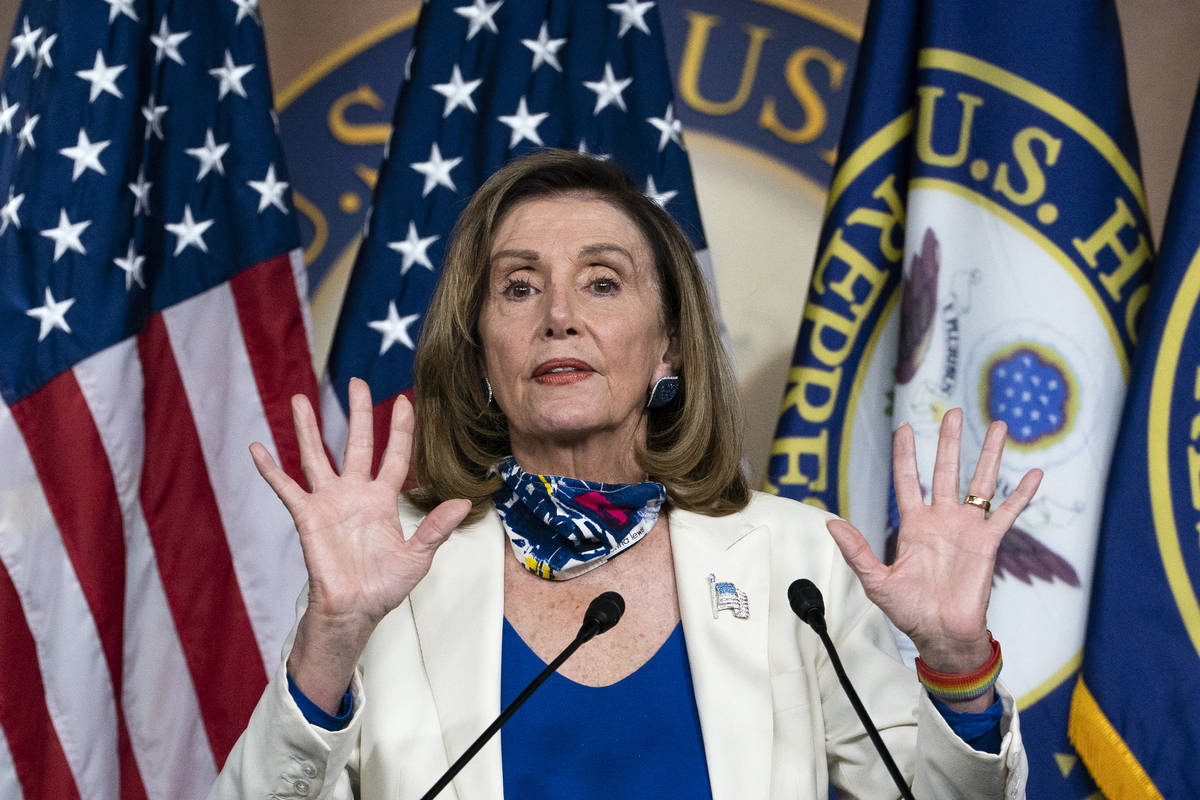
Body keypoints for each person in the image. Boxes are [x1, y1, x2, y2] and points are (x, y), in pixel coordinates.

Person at [208, 149, 1041, 799]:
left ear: (669, 349)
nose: (559, 316)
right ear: (483, 356)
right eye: (519, 288)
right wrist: (331, 640)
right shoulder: (389, 567)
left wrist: (959, 663)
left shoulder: (796, 562)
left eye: (601, 283)